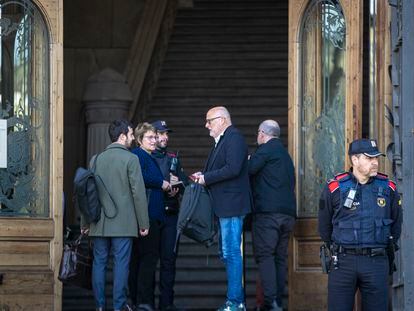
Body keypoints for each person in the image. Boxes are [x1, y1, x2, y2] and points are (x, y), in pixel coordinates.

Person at [318, 138, 403, 311]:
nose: (375, 163)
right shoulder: (334, 188)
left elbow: (396, 225)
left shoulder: (389, 188)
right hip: (343, 262)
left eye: (376, 158)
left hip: (376, 261)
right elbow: (324, 227)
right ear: (354, 160)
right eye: (369, 158)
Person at [81, 119, 150, 311]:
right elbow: (138, 193)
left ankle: (99, 307)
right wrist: (144, 222)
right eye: (130, 134)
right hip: (124, 223)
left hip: (99, 223)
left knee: (99, 264)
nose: (132, 139)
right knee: (121, 265)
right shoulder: (131, 159)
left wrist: (85, 223)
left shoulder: (96, 159)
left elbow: (87, 193)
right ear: (121, 136)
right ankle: (119, 306)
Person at [193, 106, 252, 311]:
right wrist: (204, 175)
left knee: (232, 253)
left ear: (223, 120)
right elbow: (225, 168)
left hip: (232, 206)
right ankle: (235, 301)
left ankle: (235, 303)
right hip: (225, 206)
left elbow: (233, 169)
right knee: (227, 253)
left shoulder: (233, 137)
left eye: (210, 121)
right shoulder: (223, 139)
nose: (206, 125)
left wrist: (206, 178)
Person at [248, 120, 296, 311]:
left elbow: (249, 170)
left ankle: (270, 302)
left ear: (262, 133)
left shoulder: (265, 151)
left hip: (268, 214)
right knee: (279, 257)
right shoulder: (286, 155)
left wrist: (248, 159)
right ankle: (277, 301)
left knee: (266, 255)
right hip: (288, 215)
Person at [129, 122, 171, 311]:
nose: (155, 140)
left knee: (143, 259)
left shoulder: (148, 156)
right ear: (139, 140)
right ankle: (143, 301)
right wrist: (161, 182)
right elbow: (138, 177)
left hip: (151, 215)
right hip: (147, 217)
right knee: (147, 259)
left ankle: (141, 300)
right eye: (150, 137)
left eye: (155, 137)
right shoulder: (138, 155)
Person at [151, 120, 188, 311]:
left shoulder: (173, 158)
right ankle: (146, 303)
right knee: (149, 262)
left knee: (169, 261)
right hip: (152, 215)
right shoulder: (145, 157)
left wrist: (178, 185)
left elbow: (185, 183)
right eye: (160, 133)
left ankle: (166, 304)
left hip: (171, 215)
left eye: (166, 133)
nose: (165, 137)